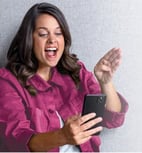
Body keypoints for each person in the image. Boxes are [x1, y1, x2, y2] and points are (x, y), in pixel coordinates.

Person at [0, 2, 128, 152]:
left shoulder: (76, 70)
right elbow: (16, 141)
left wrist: (105, 83)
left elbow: (112, 118)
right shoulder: (8, 82)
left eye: (58, 33)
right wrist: (63, 136)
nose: (52, 40)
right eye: (43, 34)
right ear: (29, 39)